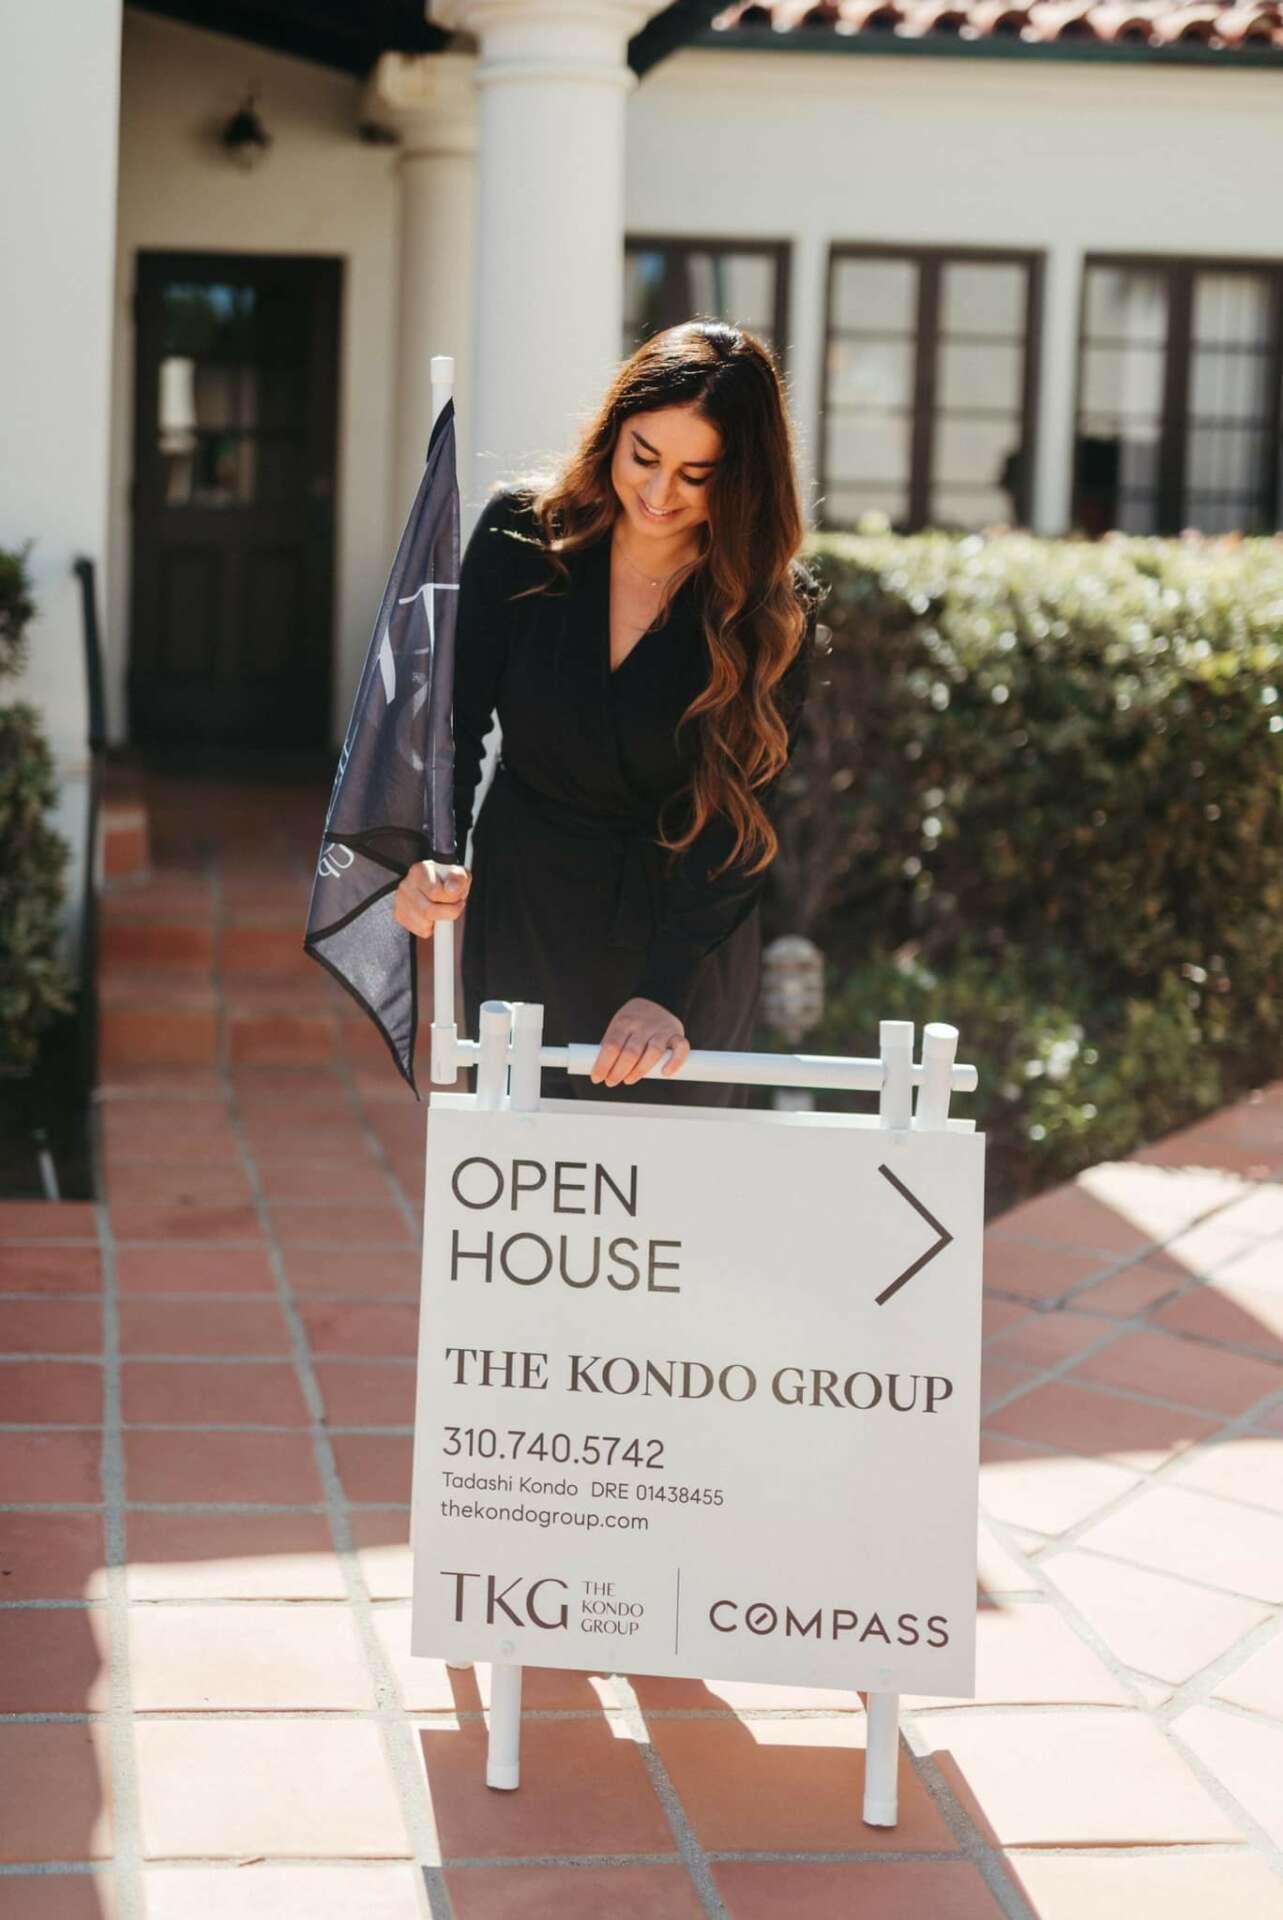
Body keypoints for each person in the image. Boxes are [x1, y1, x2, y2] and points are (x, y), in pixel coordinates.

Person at [393, 320, 823, 1105]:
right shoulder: (518, 539)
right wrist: (432, 851)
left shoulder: (769, 609)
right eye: (643, 457)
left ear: (743, 479)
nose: (659, 495)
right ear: (611, 433)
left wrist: (664, 990)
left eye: (696, 475)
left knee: (669, 1176)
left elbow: (741, 817)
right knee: (524, 1161)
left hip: (683, 945)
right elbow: (452, 723)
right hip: (528, 913)